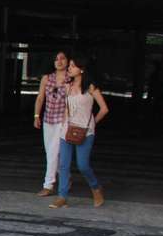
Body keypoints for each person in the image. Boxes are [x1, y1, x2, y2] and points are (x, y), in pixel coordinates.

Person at [50, 54, 109, 209]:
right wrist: (63, 124)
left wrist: (92, 123)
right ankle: (62, 197)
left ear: (81, 69)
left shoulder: (91, 87)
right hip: (67, 130)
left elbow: (104, 109)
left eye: (72, 66)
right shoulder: (67, 86)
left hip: (86, 131)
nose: (69, 68)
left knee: (83, 165)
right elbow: (66, 107)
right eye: (69, 66)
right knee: (63, 165)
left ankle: (96, 188)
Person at [32, 50, 70, 196]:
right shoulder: (47, 78)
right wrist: (36, 115)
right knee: (52, 152)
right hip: (48, 120)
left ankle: (48, 185)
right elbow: (40, 98)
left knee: (53, 152)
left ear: (68, 61)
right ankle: (67, 178)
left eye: (62, 58)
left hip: (63, 120)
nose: (59, 61)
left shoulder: (71, 79)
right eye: (56, 59)